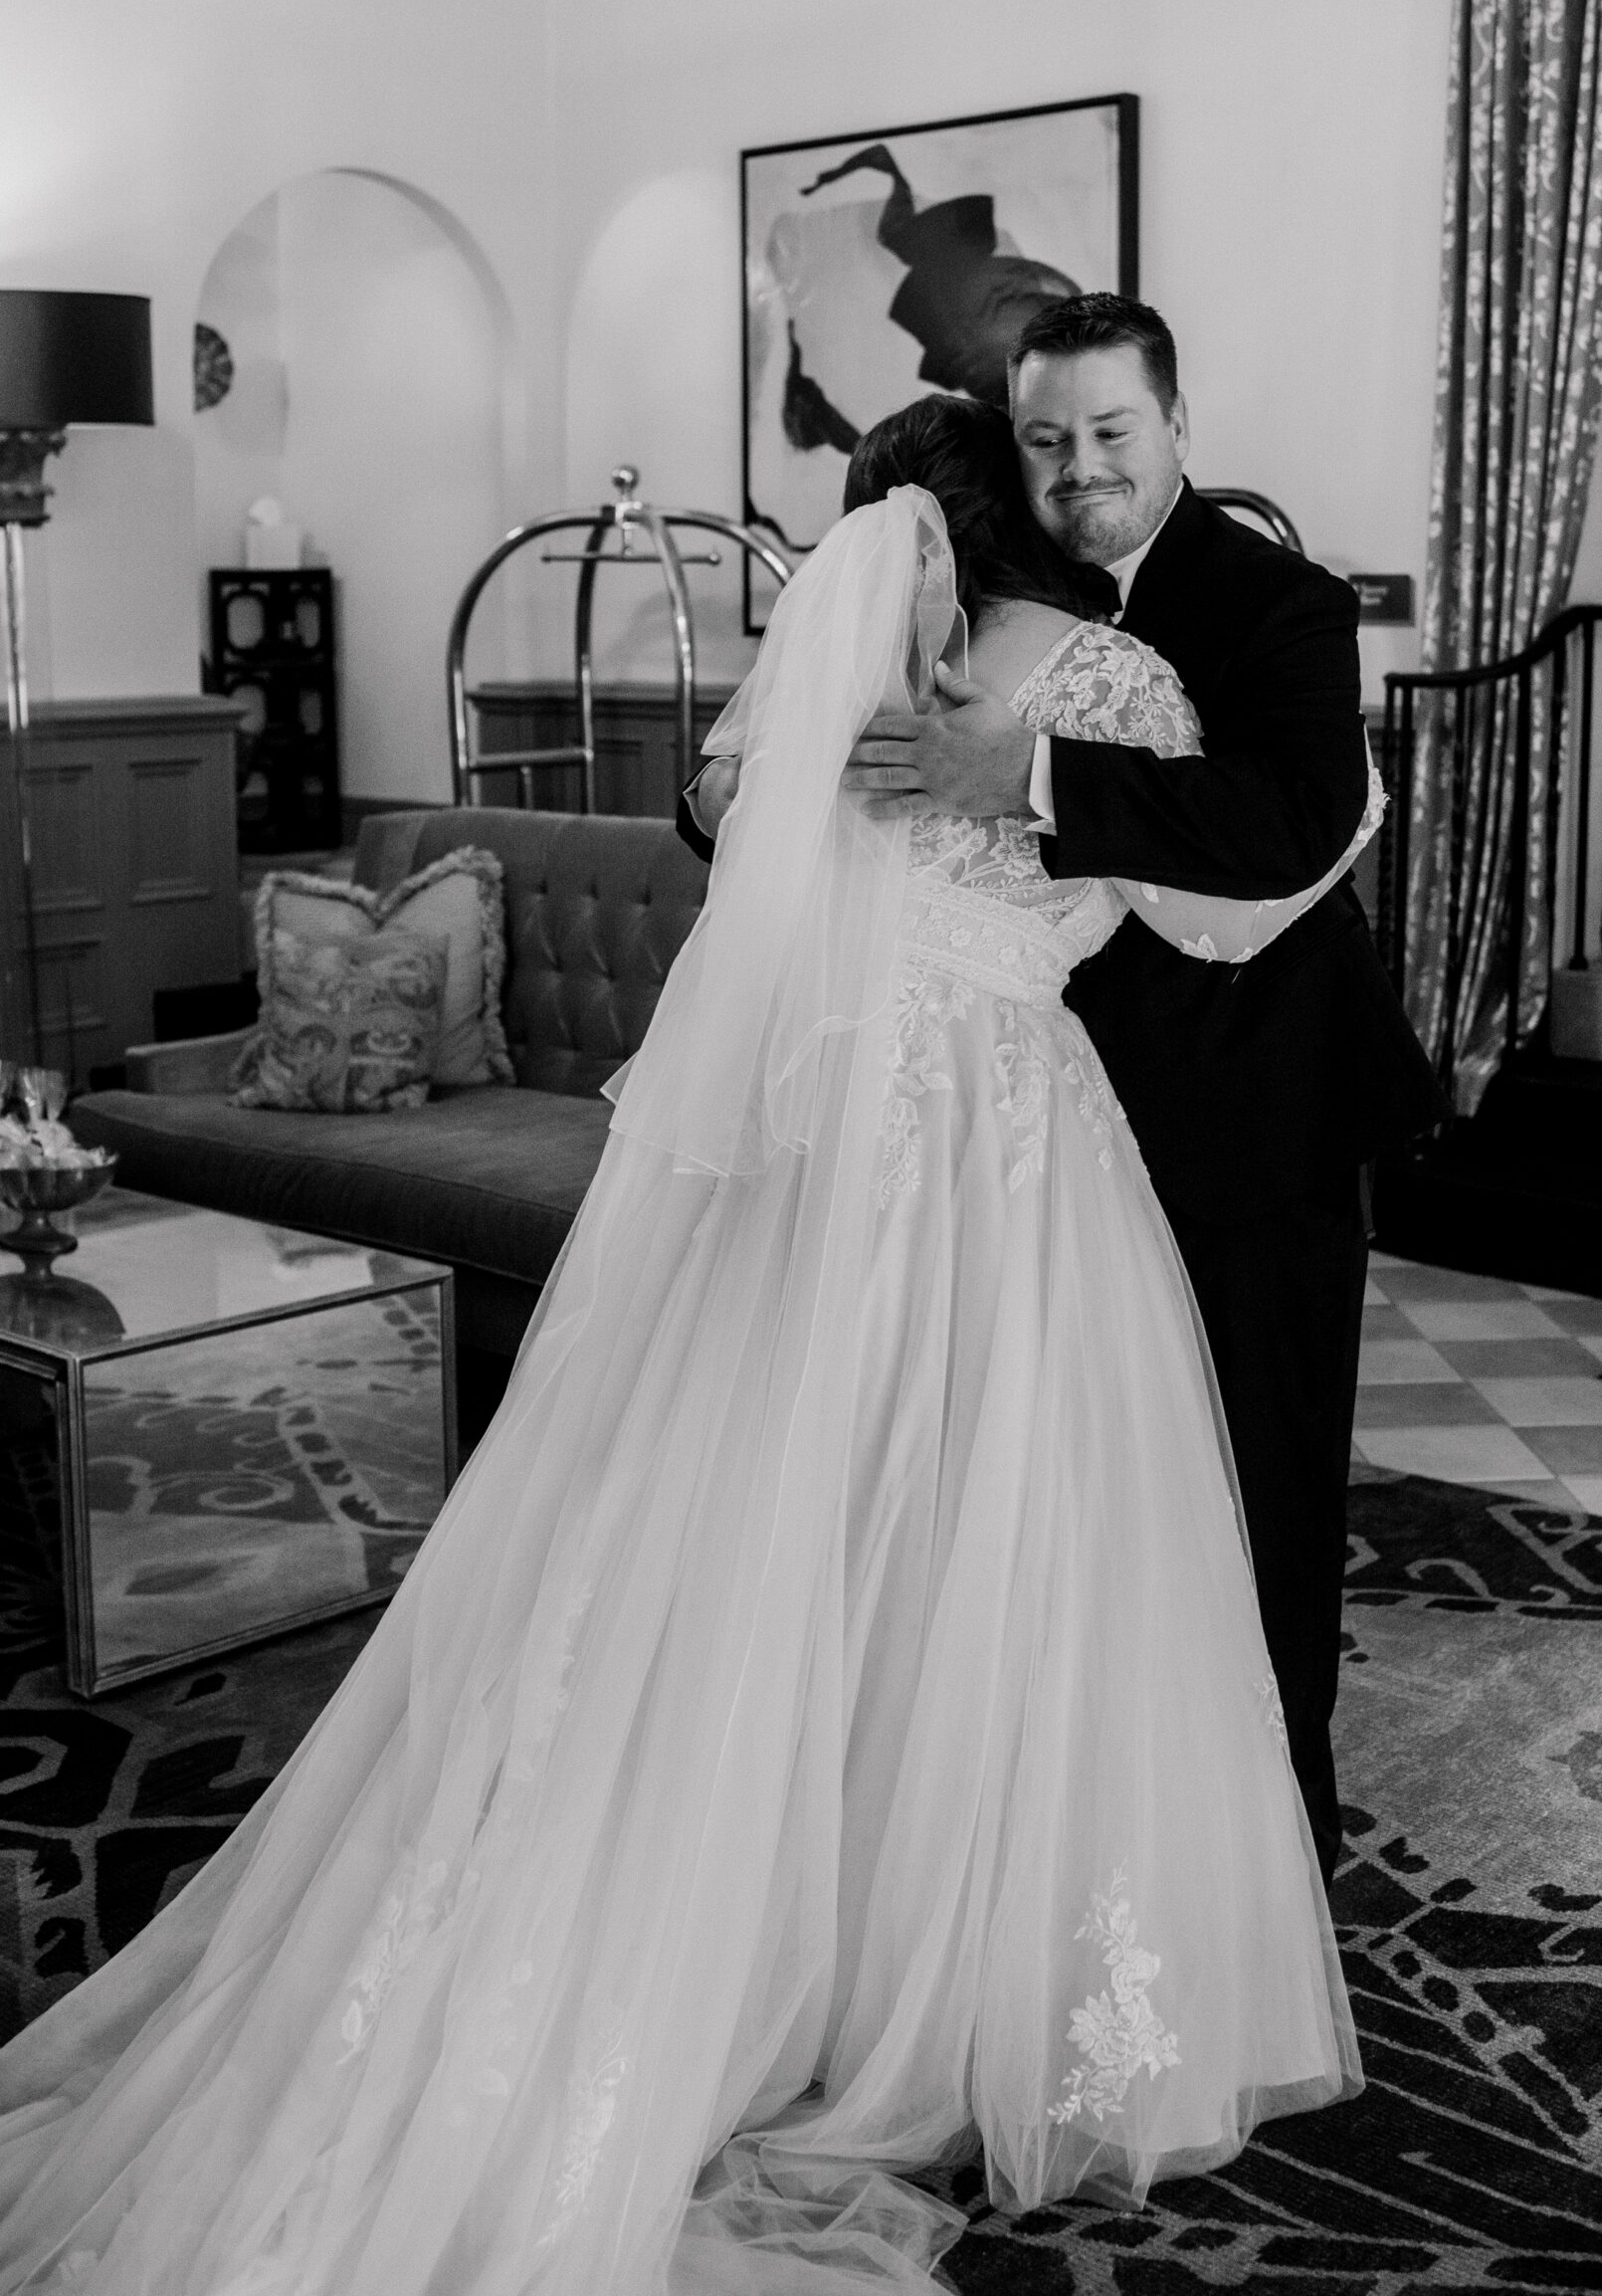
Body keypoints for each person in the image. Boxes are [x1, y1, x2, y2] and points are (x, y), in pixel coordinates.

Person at [0, 402, 1359, 2296]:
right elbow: (1230, 919)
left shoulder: (825, 674)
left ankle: (738, 1923)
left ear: (881, 524)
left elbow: (743, 863)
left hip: (815, 1161)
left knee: (751, 1539)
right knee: (1000, 1531)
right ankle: (934, 1962)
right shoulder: (1110, 679)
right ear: (1024, 502)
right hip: (1005, 1145)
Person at [832, 297, 1448, 1882]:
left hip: (1254, 1122)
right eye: (1047, 440)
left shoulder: (1278, 601)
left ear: (1175, 422)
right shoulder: (963, 606)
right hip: (1034, 1128)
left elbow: (1292, 817)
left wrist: (1031, 781)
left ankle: (1275, 1842)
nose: (1081, 468)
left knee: (1259, 1483)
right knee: (1082, 1500)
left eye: (1111, 432)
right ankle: (1092, 1835)